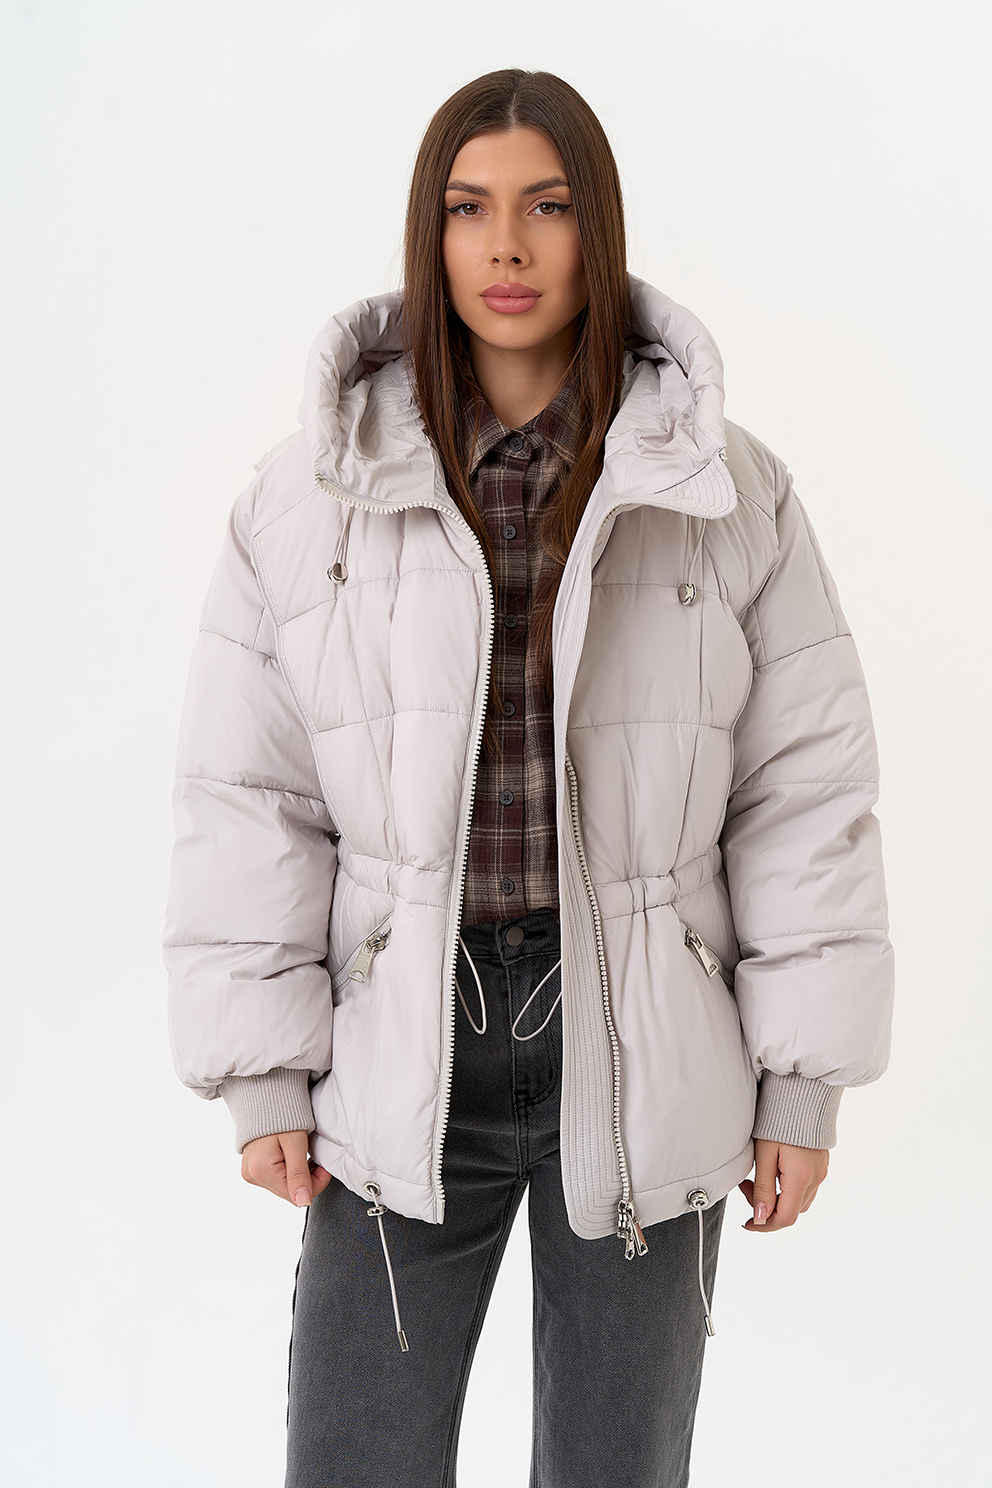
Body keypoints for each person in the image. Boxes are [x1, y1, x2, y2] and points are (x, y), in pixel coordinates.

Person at [164, 68, 894, 1488]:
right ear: (427, 233)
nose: (506, 246)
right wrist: (263, 1073)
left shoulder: (726, 494)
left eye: (546, 206)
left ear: (596, 226)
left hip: (642, 1048)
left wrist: (799, 1087)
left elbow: (803, 791)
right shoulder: (305, 497)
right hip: (395, 1051)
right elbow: (250, 794)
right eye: (469, 208)